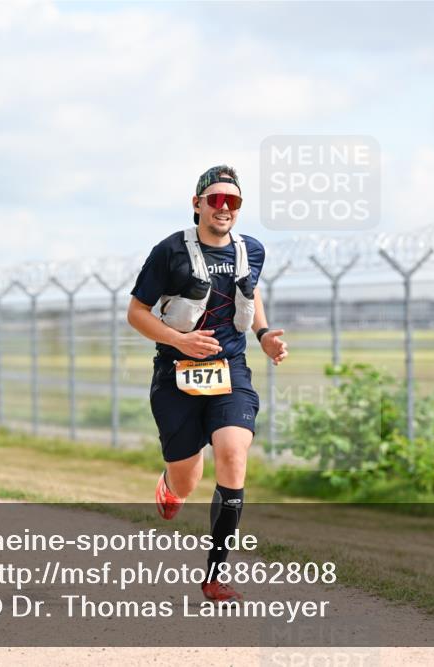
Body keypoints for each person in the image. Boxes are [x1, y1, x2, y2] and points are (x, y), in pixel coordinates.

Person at [127, 165, 288, 603]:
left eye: (231, 201)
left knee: (233, 454)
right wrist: (180, 339)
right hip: (176, 374)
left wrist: (264, 335)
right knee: (187, 479)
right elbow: (137, 312)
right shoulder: (169, 251)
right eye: (214, 199)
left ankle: (215, 574)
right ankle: (170, 483)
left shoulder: (251, 250)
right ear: (196, 203)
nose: (223, 207)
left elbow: (250, 293)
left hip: (230, 369)